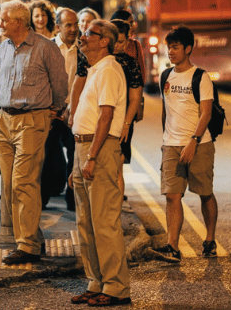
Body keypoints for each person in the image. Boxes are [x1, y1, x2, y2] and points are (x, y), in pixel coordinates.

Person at [0, 0, 67, 265]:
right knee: (12, 184)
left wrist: (55, 109)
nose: (0, 24)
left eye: (4, 19)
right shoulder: (4, 47)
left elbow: (60, 84)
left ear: (19, 22)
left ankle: (27, 246)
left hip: (31, 121)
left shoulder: (45, 48)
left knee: (24, 182)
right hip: (3, 120)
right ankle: (32, 238)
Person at [69, 20, 131, 307]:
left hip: (100, 148)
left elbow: (106, 116)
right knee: (85, 222)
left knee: (104, 221)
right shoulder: (95, 70)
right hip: (83, 146)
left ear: (104, 40)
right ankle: (96, 281)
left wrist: (92, 155)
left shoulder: (109, 68)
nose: (82, 37)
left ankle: (116, 287)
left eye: (88, 33)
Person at [148, 25, 218, 263]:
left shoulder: (201, 77)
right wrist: (165, 139)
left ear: (188, 49)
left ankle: (209, 239)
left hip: (199, 144)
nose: (171, 51)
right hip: (171, 144)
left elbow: (205, 114)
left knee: (205, 193)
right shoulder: (166, 76)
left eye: (175, 47)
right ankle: (173, 246)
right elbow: (166, 111)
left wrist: (193, 142)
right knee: (171, 196)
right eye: (169, 47)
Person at [48, 8, 80, 211]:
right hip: (50, 111)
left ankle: (72, 199)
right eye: (69, 25)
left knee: (75, 155)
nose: (74, 29)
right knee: (48, 155)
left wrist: (72, 108)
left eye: (76, 24)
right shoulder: (48, 47)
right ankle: (43, 196)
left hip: (74, 111)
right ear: (58, 27)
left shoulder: (83, 48)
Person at [110, 19, 144, 199]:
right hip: (97, 120)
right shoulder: (96, 59)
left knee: (117, 166)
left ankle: (115, 213)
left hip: (122, 121)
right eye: (112, 40)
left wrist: (126, 124)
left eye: (120, 42)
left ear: (128, 40)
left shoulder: (131, 64)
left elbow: (135, 98)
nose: (116, 45)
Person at [111, 9, 147, 86]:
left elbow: (142, 76)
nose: (133, 26)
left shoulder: (135, 45)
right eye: (130, 23)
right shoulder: (106, 44)